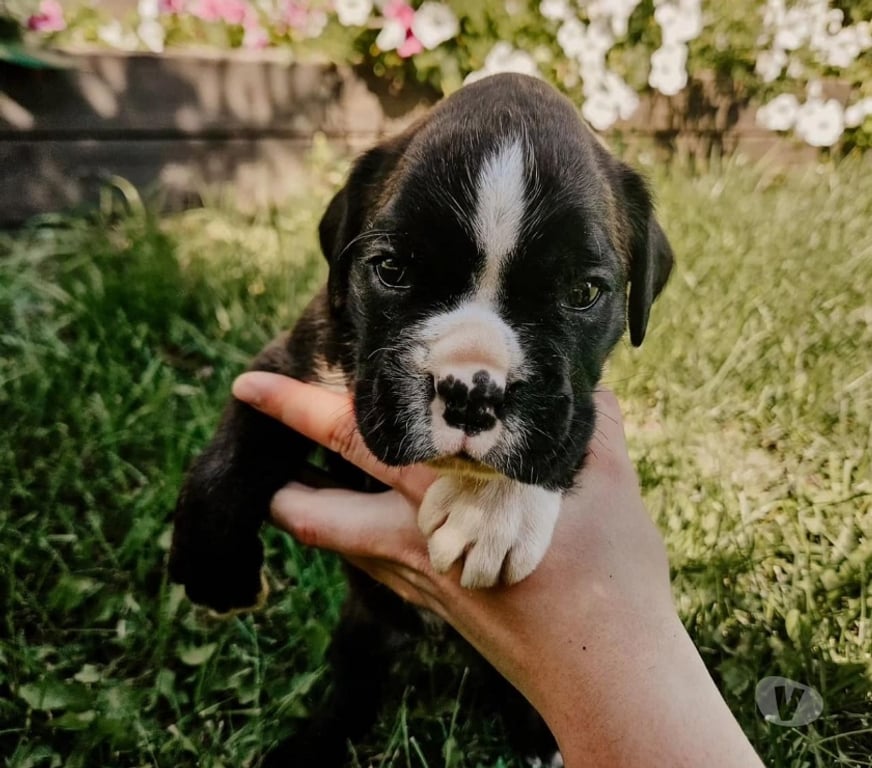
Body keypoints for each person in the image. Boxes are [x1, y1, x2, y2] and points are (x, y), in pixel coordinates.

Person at [231, 372, 766, 768]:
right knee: (360, 646)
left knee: (501, 678)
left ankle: (534, 730)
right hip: (379, 595)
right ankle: (343, 716)